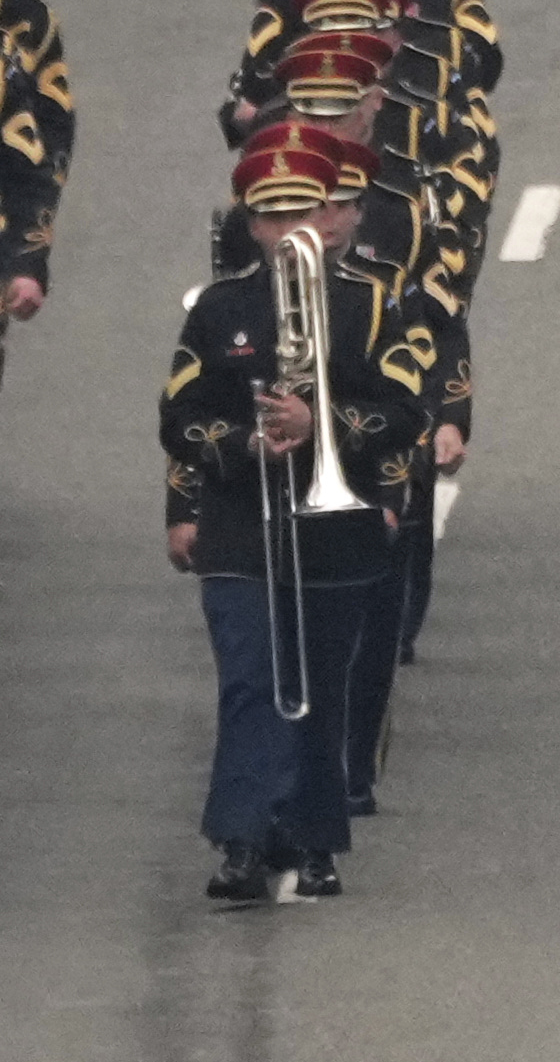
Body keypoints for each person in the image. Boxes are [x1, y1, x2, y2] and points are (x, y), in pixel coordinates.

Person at [161, 127, 436, 904]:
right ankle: (243, 840)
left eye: (301, 213)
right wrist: (248, 444)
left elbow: (407, 410)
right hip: (242, 528)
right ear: (250, 224)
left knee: (318, 690)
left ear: (329, 215)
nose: (288, 231)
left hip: (336, 528)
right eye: (271, 215)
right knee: (251, 684)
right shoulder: (218, 309)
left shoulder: (375, 305)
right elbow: (179, 417)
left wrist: (325, 429)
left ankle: (314, 839)